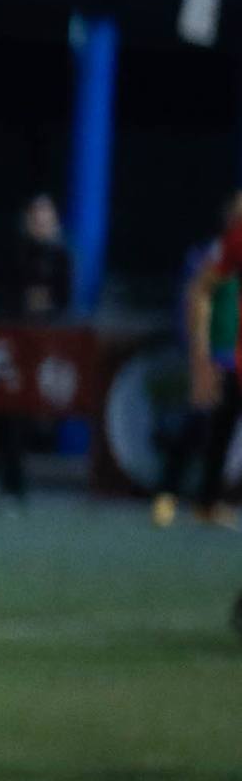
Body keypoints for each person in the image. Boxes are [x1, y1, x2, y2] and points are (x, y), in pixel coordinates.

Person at [0, 193, 70, 509]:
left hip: (38, 350)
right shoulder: (12, 253)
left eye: (46, 219)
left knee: (13, 421)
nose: (41, 225)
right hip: (7, 350)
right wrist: (22, 303)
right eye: (36, 218)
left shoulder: (60, 257)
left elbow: (63, 301)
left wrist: (43, 306)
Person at [159, 190, 242, 529]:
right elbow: (195, 297)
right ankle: (166, 494)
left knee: (222, 431)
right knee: (198, 425)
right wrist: (199, 353)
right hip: (217, 354)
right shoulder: (218, 253)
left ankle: (207, 501)